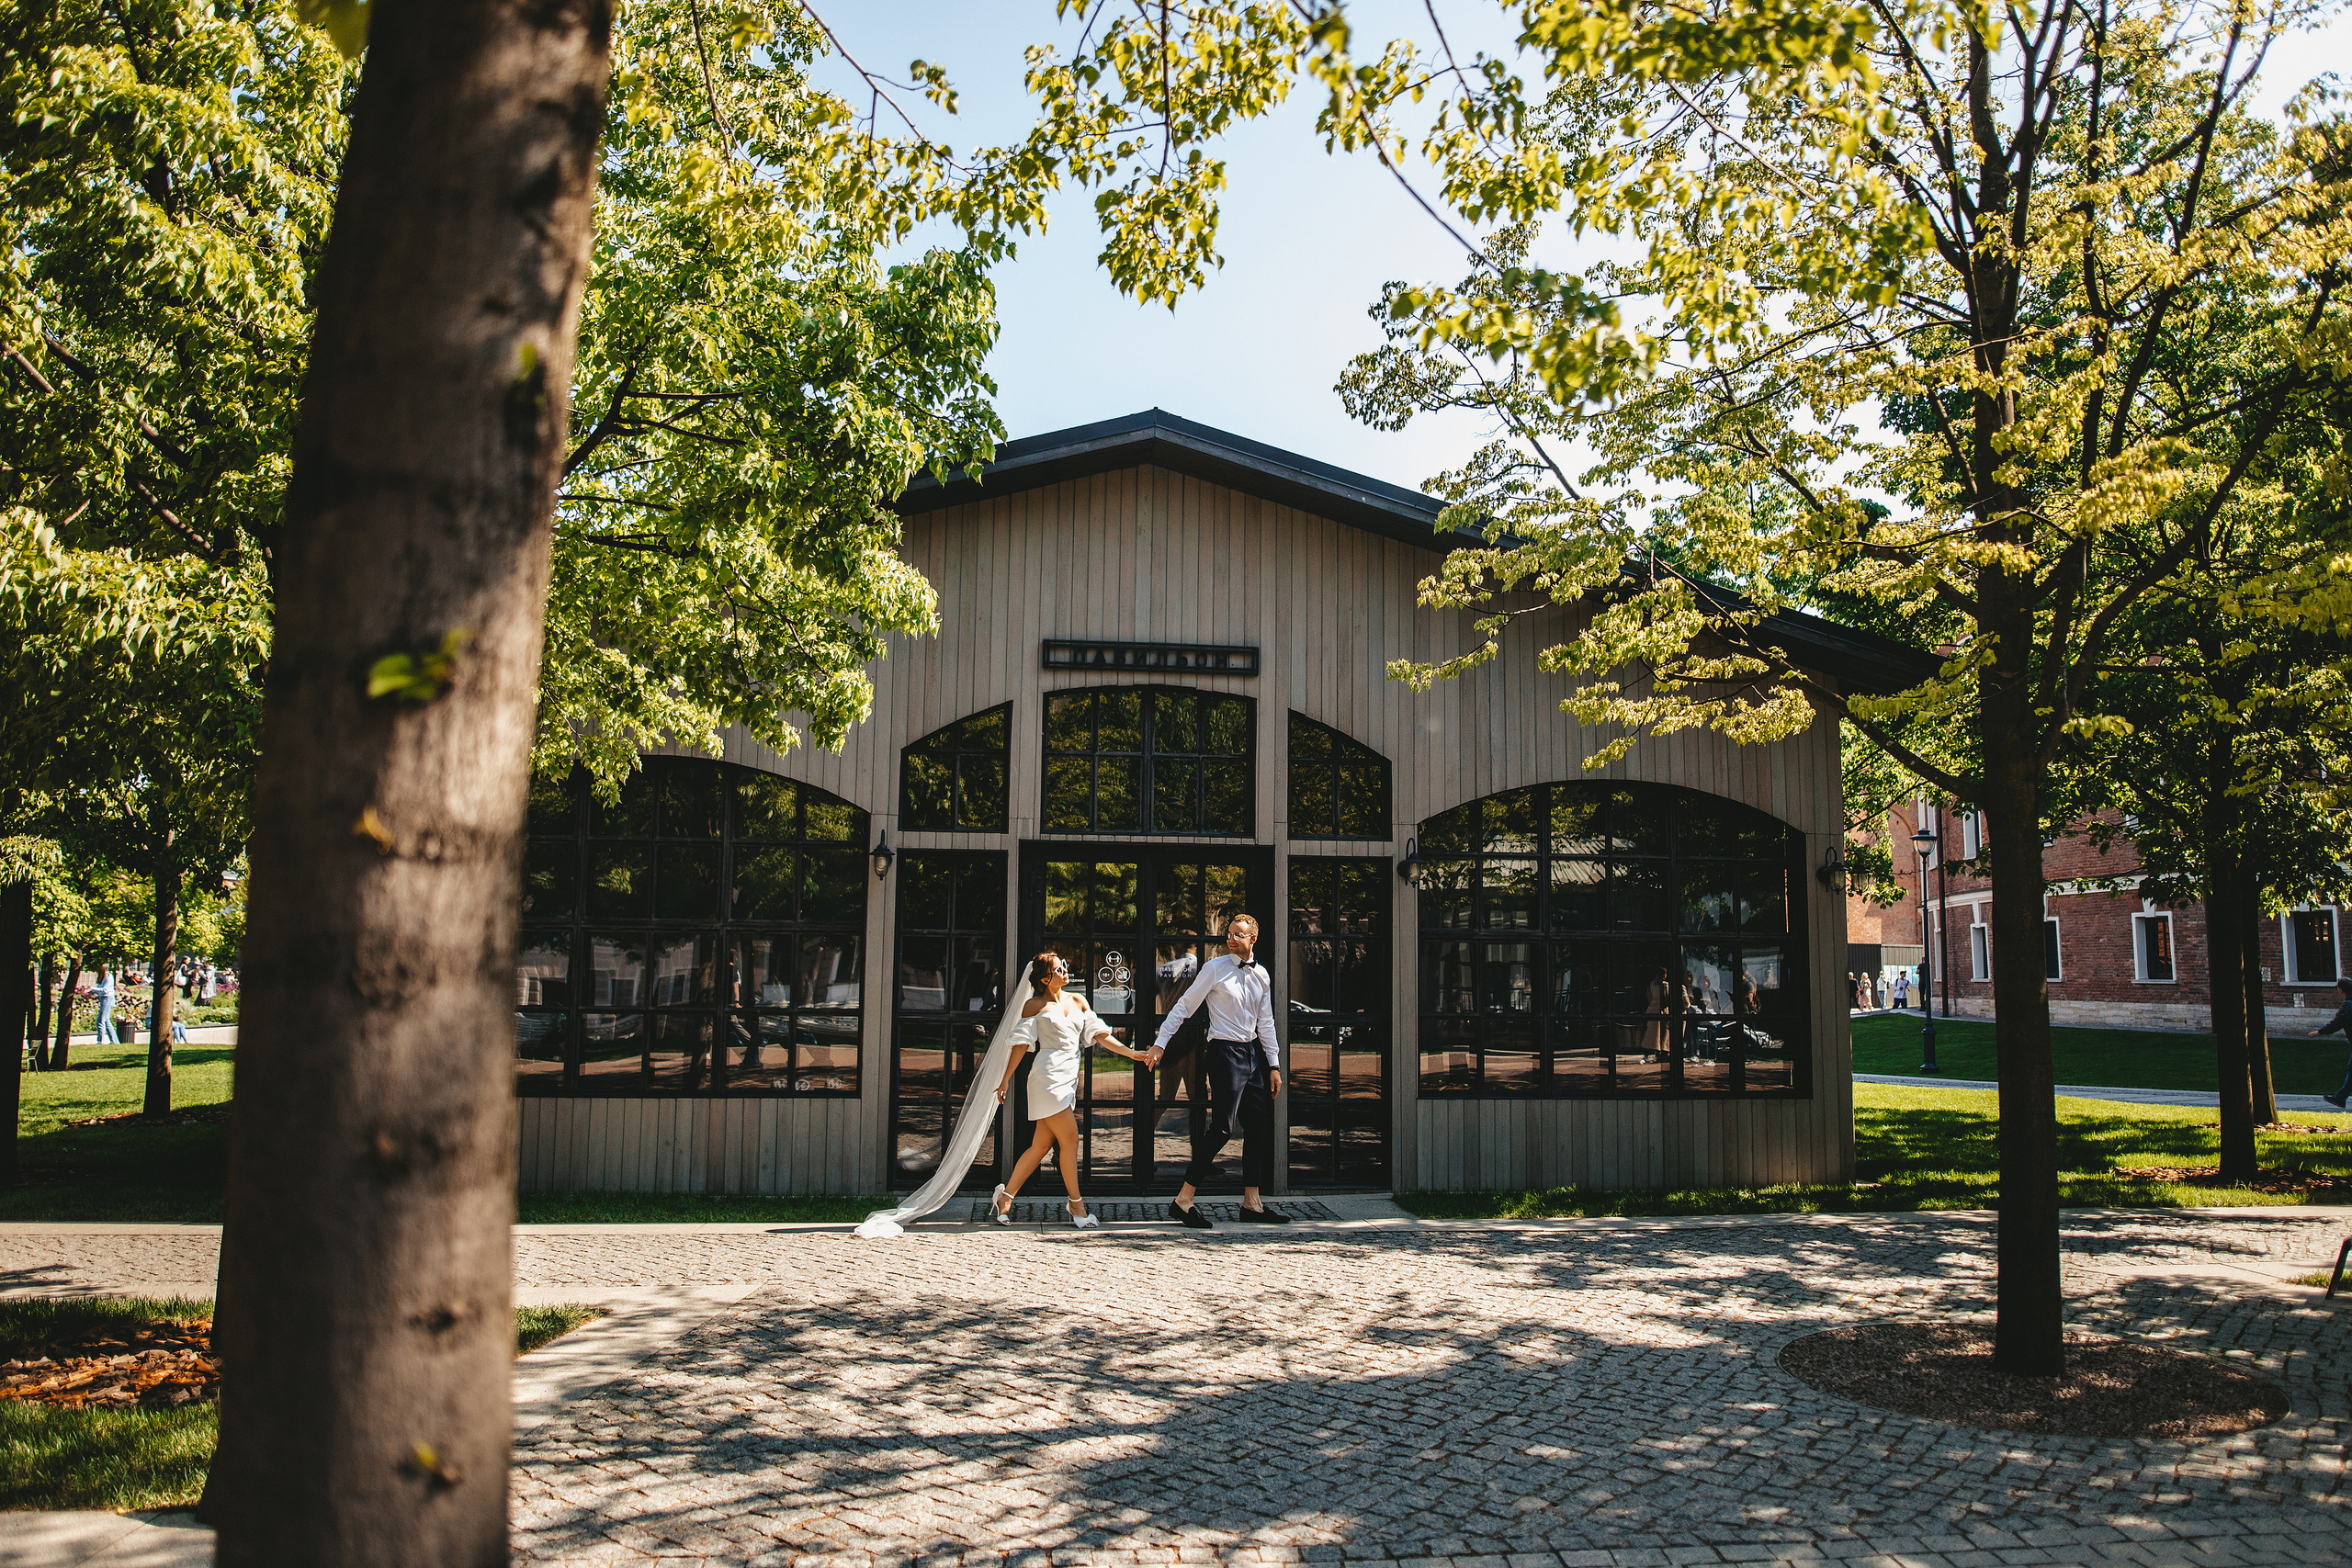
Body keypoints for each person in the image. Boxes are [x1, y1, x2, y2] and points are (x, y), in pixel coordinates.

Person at [988, 953, 1151, 1229]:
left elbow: (1100, 1035)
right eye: (1058, 968)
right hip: (1045, 1076)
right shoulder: (1034, 1005)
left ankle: (1005, 1197)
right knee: (1071, 1139)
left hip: (1069, 1075)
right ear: (1044, 978)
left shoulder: (1078, 1000)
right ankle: (1076, 1205)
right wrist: (1005, 1079)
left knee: (1040, 1146)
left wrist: (1131, 1054)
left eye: (1064, 966)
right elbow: (1020, 1044)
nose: (1065, 970)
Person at [1147, 914, 1285, 1229]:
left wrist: (1274, 1065)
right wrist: (1160, 1044)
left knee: (1259, 1128)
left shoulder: (1261, 974)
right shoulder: (1214, 969)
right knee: (1222, 1128)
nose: (1232, 939)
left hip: (1252, 1056)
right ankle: (1183, 1201)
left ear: (1253, 939)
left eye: (1239, 935)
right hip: (1224, 1053)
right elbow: (1183, 1007)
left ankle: (1252, 1204)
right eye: (1230, 934)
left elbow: (1266, 1023)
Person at [2312, 976, 2352, 1108]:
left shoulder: (2348, 1005)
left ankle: (2340, 1098)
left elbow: (2337, 1023)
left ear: (2341, 989)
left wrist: (2319, 1032)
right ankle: (2340, 1098)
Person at [92, 967, 117, 1045]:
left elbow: (105, 989)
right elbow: (99, 989)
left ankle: (100, 1041)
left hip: (107, 998)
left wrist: (92, 988)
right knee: (106, 1020)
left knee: (101, 1020)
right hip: (103, 998)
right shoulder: (102, 977)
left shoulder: (108, 976)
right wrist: (91, 992)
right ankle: (115, 1041)